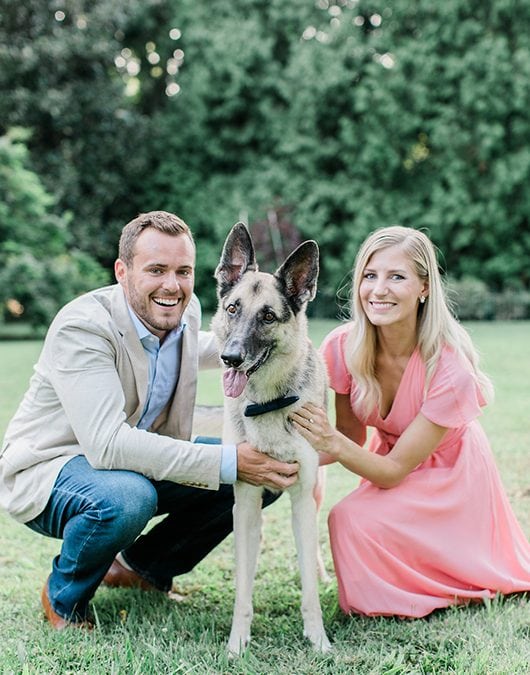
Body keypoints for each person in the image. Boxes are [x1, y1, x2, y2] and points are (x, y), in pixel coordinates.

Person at [0, 211, 298, 629]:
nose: (172, 285)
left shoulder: (183, 311)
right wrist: (230, 461)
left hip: (131, 464)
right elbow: (108, 445)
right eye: (156, 270)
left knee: (261, 474)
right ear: (122, 272)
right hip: (51, 470)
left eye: (183, 271)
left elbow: (206, 347)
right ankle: (63, 598)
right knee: (130, 496)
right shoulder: (83, 328)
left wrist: (285, 352)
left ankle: (140, 568)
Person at [291, 225, 530, 617]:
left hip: (454, 476)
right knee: (352, 523)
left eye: (396, 277)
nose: (378, 289)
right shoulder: (342, 346)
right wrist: (288, 462)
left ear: (424, 288)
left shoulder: (449, 368)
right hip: (390, 462)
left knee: (348, 518)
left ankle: (436, 580)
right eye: (370, 276)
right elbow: (351, 434)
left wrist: (331, 442)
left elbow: (390, 471)